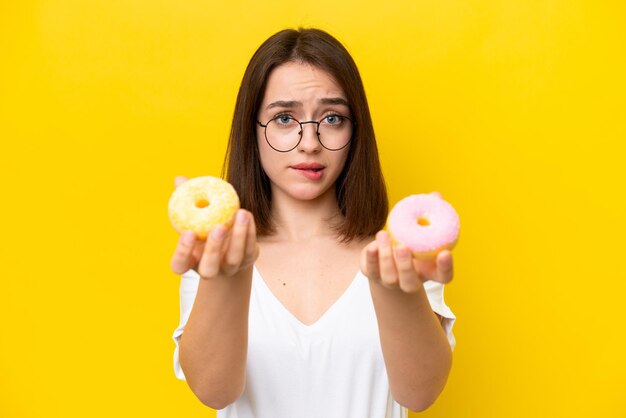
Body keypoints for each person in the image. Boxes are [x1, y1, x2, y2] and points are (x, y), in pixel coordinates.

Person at [170, 28, 456, 418]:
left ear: (355, 132)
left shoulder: (399, 257)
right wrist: (227, 279)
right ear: (251, 131)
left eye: (332, 118)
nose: (310, 142)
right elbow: (214, 391)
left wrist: (395, 292)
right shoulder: (217, 259)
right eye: (285, 118)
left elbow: (419, 393)